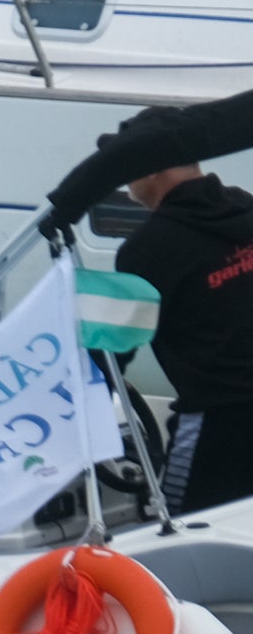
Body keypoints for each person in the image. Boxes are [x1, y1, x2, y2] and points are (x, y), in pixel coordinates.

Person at [103, 106, 253, 513]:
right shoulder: (246, 209)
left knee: (173, 526)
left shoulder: (147, 250)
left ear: (154, 169)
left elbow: (114, 353)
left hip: (215, 427)